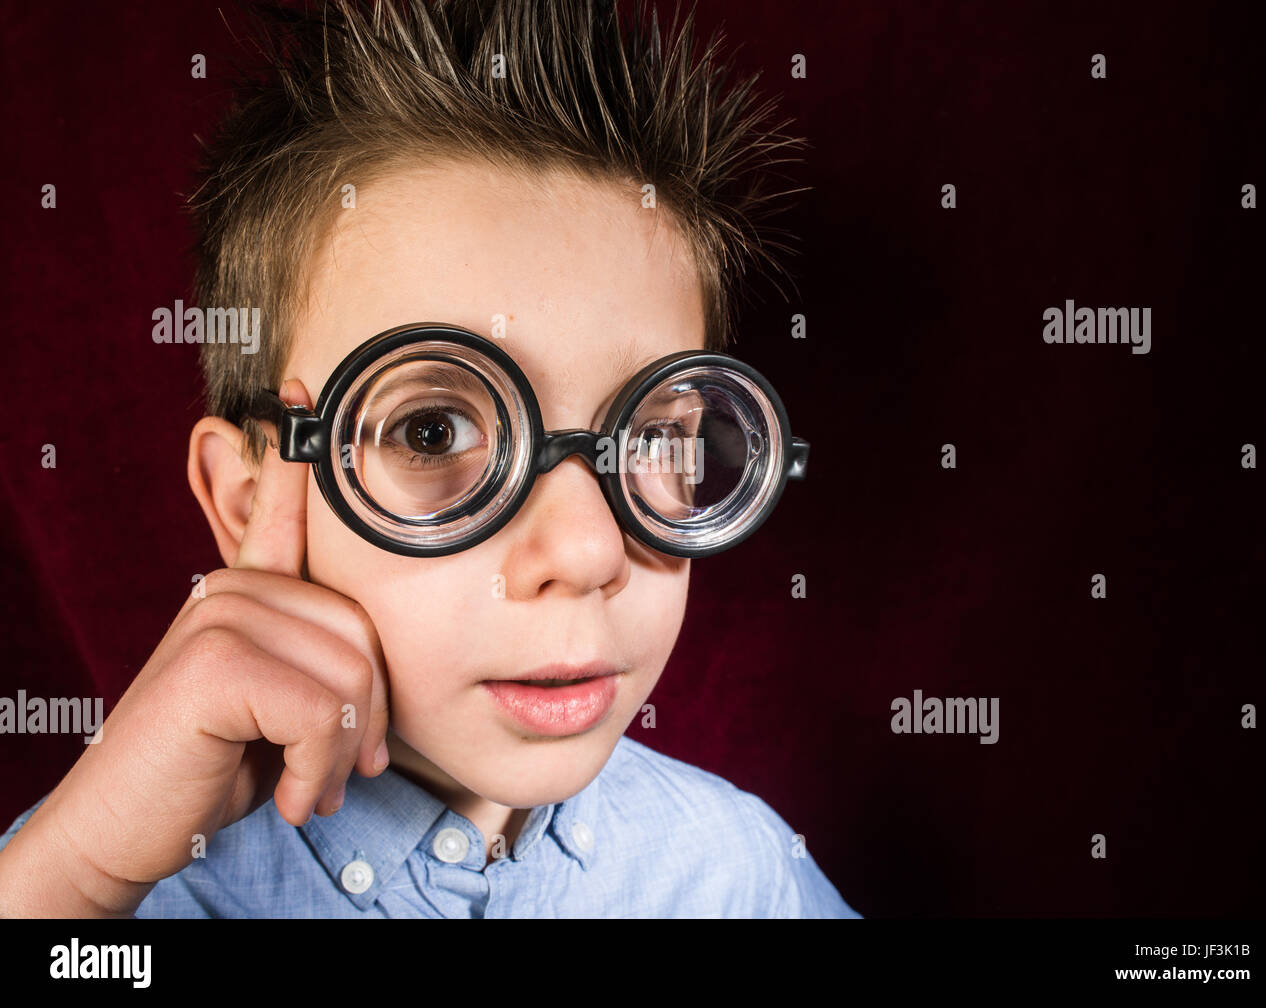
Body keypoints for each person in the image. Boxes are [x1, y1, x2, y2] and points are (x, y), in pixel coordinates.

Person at [0, 0, 857, 918]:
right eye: (432, 432)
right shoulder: (107, 880)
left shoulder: (737, 874)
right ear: (251, 502)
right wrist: (79, 881)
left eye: (654, 437)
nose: (588, 553)